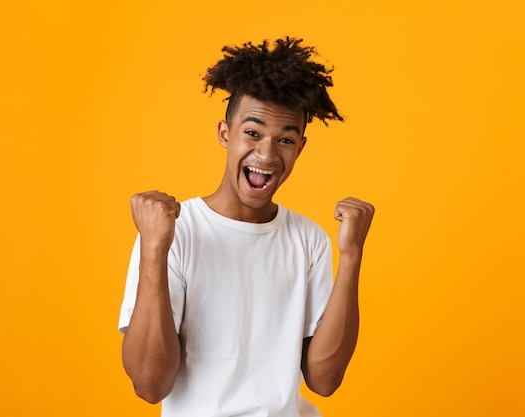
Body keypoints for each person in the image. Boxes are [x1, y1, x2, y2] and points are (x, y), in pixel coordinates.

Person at [118, 36, 375, 417]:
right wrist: (154, 249)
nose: (267, 154)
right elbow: (149, 384)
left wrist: (352, 256)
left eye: (285, 139)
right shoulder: (174, 231)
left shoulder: (309, 240)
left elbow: (324, 380)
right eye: (252, 133)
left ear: (300, 148)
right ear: (225, 133)